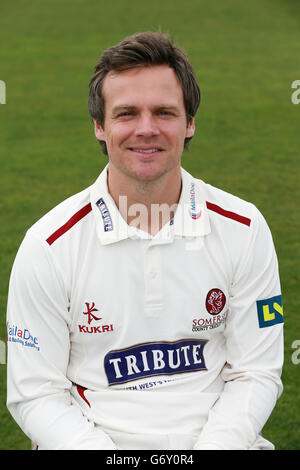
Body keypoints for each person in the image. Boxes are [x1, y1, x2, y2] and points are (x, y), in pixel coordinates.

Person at [6, 31, 284, 450]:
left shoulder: (244, 228)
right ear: (99, 127)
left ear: (190, 122)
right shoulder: (48, 245)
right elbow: (36, 394)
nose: (147, 129)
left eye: (165, 112)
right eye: (127, 113)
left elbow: (257, 372)